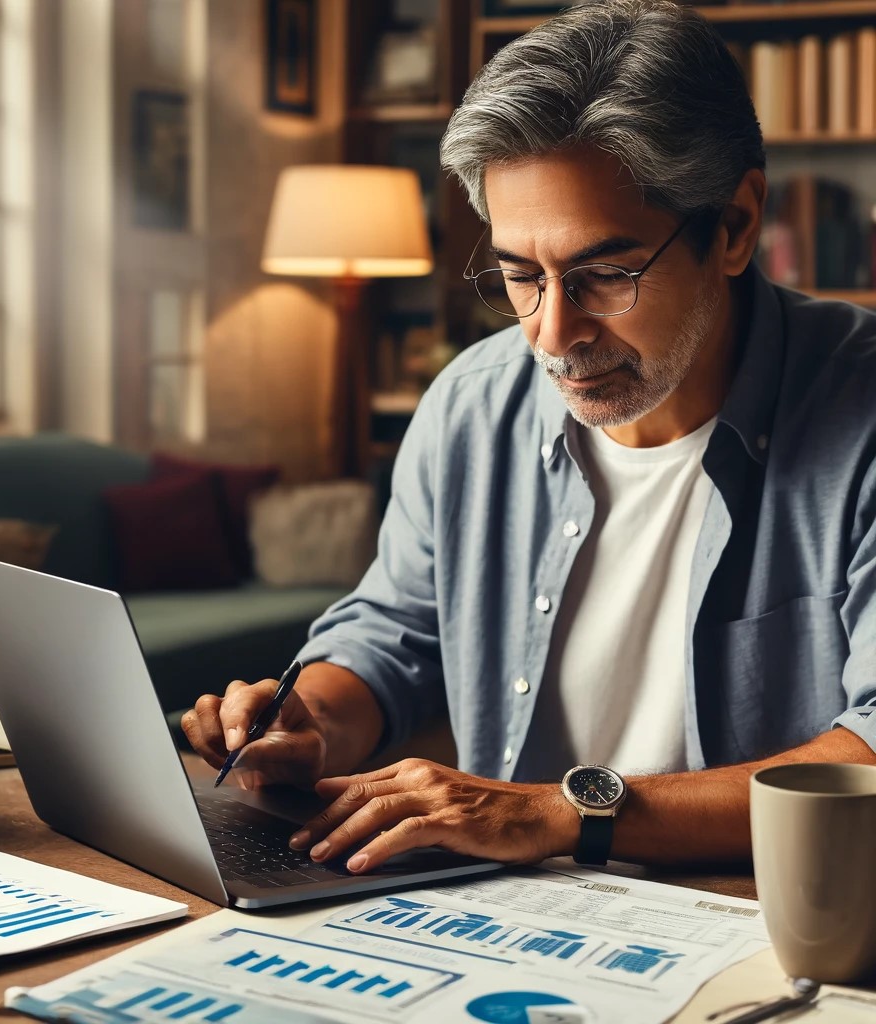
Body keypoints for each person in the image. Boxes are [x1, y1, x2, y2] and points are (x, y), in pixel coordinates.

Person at [184, 0, 876, 874]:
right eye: (520, 276)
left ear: (734, 226)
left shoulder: (862, 416)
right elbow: (394, 633)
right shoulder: (472, 404)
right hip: (506, 920)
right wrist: (311, 719)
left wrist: (555, 812)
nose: (552, 335)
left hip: (768, 925)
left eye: (603, 275)